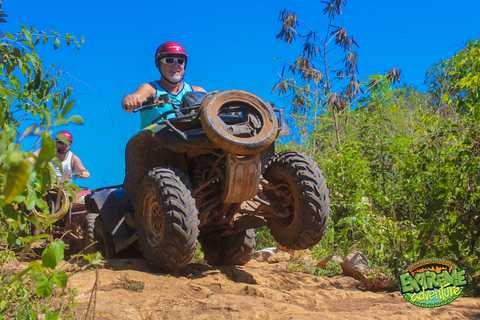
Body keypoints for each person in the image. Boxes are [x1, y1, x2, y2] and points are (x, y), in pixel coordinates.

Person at [122, 41, 207, 129]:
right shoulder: (150, 89)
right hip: (155, 140)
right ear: (159, 64)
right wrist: (130, 101)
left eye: (180, 61)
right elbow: (132, 98)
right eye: (169, 61)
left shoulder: (197, 91)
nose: (175, 65)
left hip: (191, 140)